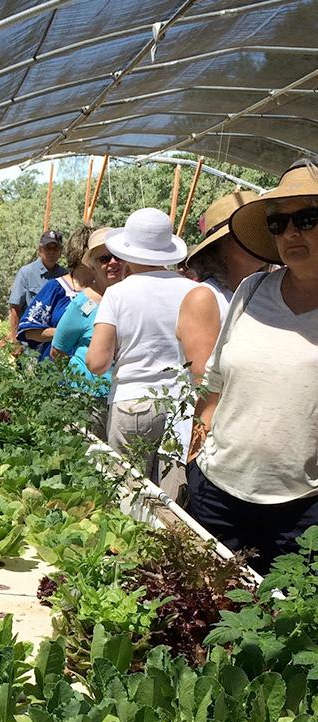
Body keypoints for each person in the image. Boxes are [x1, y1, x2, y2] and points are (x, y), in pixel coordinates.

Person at [186, 161, 318, 574]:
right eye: (279, 223)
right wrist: (198, 446)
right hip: (218, 490)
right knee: (204, 618)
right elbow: (217, 378)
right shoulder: (252, 290)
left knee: (283, 627)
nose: (291, 232)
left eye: (307, 219)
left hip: (300, 509)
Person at [86, 207, 197, 484]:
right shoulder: (193, 291)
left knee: (126, 491)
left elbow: (97, 362)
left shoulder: (117, 294)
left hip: (133, 402)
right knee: (170, 501)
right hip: (181, 406)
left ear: (126, 251)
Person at [176, 190, 263, 385]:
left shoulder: (264, 290)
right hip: (214, 412)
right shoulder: (205, 298)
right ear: (220, 247)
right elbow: (204, 379)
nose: (257, 240)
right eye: (245, 234)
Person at [51, 227, 123, 438]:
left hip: (121, 398)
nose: (112, 263)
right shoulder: (83, 304)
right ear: (92, 265)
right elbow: (58, 352)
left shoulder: (129, 298)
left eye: (117, 256)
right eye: (104, 258)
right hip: (87, 400)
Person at [7, 230, 67, 341]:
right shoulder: (26, 273)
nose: (51, 252)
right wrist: (15, 340)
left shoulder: (65, 276)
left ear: (60, 251)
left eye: (55, 249)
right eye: (48, 248)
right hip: (30, 338)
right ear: (40, 250)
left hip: (55, 339)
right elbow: (15, 308)